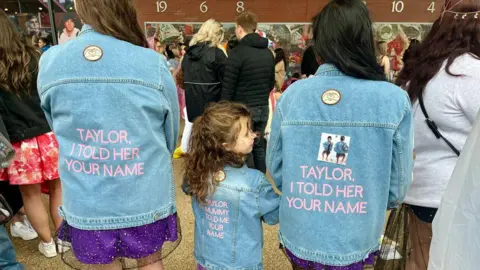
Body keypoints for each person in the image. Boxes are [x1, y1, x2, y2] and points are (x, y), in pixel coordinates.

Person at [266, 0, 414, 268]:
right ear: (364, 40)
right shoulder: (394, 100)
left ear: (320, 42)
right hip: (356, 232)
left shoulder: (292, 96)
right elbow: (397, 186)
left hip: (301, 228)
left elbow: (276, 169)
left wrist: (309, 193)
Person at [37, 0, 180, 268]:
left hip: (87, 197)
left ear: (80, 8)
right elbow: (168, 135)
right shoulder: (152, 63)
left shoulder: (52, 62)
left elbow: (56, 126)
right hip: (143, 192)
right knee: (150, 262)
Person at [394, 1, 480, 269]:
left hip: (418, 189)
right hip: (458, 195)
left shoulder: (417, 72)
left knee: (420, 259)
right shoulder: (471, 72)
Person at [184, 101, 279, 270]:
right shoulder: (254, 182)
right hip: (241, 264)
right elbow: (273, 216)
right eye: (246, 132)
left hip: (206, 260)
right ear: (226, 145)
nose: (254, 135)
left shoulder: (198, 173)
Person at [0, 10, 62, 258]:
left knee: (30, 195)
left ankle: (47, 243)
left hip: (17, 141)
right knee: (58, 188)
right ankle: (64, 238)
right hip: (47, 135)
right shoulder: (34, 57)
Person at [221, 11, 275, 174]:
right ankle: (261, 180)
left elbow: (228, 86)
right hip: (262, 107)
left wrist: (223, 110)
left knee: (244, 147)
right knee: (258, 145)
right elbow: (271, 83)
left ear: (239, 29)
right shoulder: (267, 53)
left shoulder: (237, 53)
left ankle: (249, 182)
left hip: (243, 109)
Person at [175, 19, 227, 158]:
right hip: (213, 105)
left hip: (193, 103)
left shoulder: (188, 55)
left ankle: (198, 171)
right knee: (213, 143)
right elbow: (226, 80)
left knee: (198, 140)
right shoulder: (217, 54)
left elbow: (183, 77)